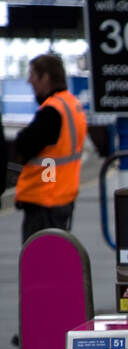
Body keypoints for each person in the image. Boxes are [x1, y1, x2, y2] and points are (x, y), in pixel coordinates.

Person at [12, 54, 86, 243]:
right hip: (62, 196)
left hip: (45, 199)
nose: (29, 81)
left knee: (40, 263)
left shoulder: (52, 111)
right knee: (54, 260)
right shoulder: (72, 105)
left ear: (45, 78)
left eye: (32, 75)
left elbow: (24, 145)